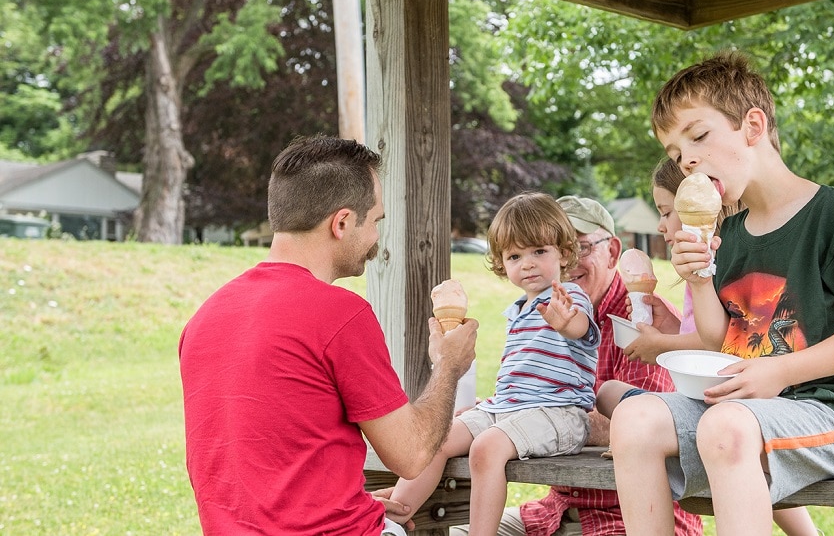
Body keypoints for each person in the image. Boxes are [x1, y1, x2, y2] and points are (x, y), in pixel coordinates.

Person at [610, 51, 834, 536]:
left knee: (726, 425)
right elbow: (718, 339)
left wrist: (781, 369)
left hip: (827, 413)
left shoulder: (833, 214)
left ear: (753, 126)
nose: (686, 159)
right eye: (673, 153)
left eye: (698, 136)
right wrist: (700, 279)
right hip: (736, 410)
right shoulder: (730, 232)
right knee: (634, 418)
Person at [178, 135, 478, 536]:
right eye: (374, 222)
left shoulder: (205, 317)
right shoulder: (340, 313)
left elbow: (262, 457)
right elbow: (412, 454)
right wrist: (449, 366)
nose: (375, 238)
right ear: (341, 223)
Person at [451, 195, 701, 536]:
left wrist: (518, 419)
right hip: (554, 512)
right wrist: (500, 410)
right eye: (526, 251)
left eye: (577, 247)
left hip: (628, 518)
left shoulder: (647, 322)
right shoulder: (533, 311)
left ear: (612, 251)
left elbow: (648, 428)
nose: (566, 261)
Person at [597, 158, 820, 536]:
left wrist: (659, 345)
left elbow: (719, 342)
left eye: (667, 212)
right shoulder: (697, 273)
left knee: (729, 436)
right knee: (613, 398)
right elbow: (704, 332)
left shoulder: (724, 262)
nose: (661, 225)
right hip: (708, 402)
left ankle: (806, 532)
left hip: (738, 398)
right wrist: (667, 328)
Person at [389, 192, 601, 536]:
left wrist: (565, 323)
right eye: (515, 255)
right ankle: (393, 519)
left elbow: (579, 327)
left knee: (487, 447)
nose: (528, 263)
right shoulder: (518, 308)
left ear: (563, 253)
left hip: (558, 413)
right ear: (503, 263)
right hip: (509, 408)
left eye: (539, 251)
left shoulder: (569, 297)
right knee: (436, 437)